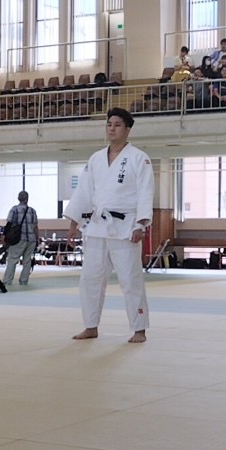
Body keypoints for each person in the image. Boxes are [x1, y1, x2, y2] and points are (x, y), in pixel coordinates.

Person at [64, 107, 153, 344]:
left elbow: (145, 192)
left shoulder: (139, 158)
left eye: (117, 125)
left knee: (130, 280)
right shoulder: (95, 159)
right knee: (90, 279)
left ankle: (139, 329)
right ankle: (90, 326)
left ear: (128, 130)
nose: (112, 129)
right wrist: (74, 222)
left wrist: (141, 224)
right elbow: (83, 192)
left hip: (125, 228)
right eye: (109, 124)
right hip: (96, 227)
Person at [3, 191, 38, 286]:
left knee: (13, 260)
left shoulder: (14, 209)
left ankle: (7, 281)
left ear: (18, 198)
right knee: (27, 261)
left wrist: (4, 236)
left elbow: (9, 223)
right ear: (27, 199)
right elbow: (35, 227)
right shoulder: (32, 211)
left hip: (18, 239)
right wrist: (37, 239)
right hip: (31, 239)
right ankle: (24, 281)